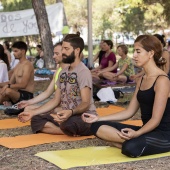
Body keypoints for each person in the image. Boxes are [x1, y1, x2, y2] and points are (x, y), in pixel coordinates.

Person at [82, 35, 170, 157]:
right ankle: (129, 141)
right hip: (145, 130)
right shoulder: (142, 79)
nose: (134, 55)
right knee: (96, 126)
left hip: (163, 135)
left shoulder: (162, 80)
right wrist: (99, 118)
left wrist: (136, 134)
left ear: (150, 53)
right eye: (134, 51)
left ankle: (124, 143)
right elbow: (129, 112)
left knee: (130, 148)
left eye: (138, 51)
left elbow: (155, 120)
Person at [18, 34, 97, 136]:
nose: (63, 52)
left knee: (69, 123)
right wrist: (32, 113)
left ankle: (66, 129)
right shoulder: (62, 72)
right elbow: (55, 100)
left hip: (81, 116)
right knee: (36, 119)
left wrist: (70, 112)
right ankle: (64, 131)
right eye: (62, 49)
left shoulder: (83, 72)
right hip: (65, 115)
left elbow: (86, 103)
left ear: (77, 51)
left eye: (66, 49)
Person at [18, 42, 68, 111]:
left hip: (65, 109)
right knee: (28, 108)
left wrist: (35, 111)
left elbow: (56, 100)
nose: (53, 56)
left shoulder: (70, 72)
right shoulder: (59, 70)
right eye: (54, 54)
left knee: (29, 109)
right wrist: (28, 102)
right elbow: (47, 92)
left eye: (57, 54)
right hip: (58, 106)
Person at [0, 41, 34, 108]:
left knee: (7, 91)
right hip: (17, 93)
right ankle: (10, 102)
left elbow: (23, 85)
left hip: (26, 95)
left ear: (23, 51)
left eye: (16, 51)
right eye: (13, 51)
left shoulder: (28, 65)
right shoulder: (18, 65)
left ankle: (10, 103)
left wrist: (8, 86)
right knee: (4, 89)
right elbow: (10, 82)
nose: (13, 53)